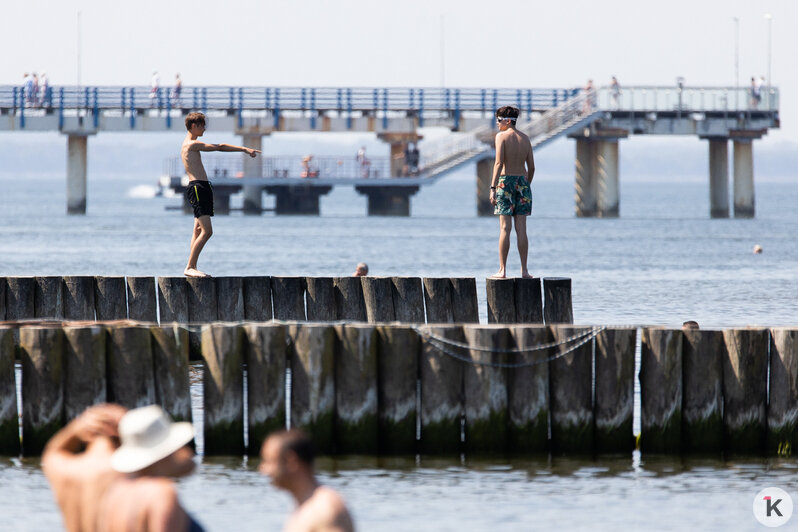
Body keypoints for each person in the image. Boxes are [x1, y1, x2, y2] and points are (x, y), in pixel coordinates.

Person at [97, 405, 203, 532]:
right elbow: (188, 463)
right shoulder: (162, 493)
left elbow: (188, 466)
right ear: (166, 451)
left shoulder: (116, 494)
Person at [181, 111, 260, 278]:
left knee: (197, 229)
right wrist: (244, 149)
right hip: (197, 188)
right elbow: (219, 147)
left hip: (201, 187)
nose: (205, 129)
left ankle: (192, 266)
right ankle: (189, 266)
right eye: (203, 126)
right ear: (194, 126)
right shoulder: (191, 145)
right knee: (207, 231)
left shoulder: (189, 144)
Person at [42, 404, 128, 532]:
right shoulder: (128, 472)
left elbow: (52, 452)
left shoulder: (66, 470)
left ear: (87, 433)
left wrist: (77, 426)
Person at [260, 430, 355, 532]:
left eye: (269, 462)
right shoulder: (303, 506)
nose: (263, 470)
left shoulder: (326, 510)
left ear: (291, 460)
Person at [489, 106, 534, 279]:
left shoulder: (501, 137)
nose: (497, 124)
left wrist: (493, 188)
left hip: (505, 181)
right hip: (522, 182)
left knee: (505, 228)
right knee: (521, 228)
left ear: (508, 121)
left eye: (499, 120)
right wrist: (525, 185)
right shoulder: (525, 138)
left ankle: (502, 270)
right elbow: (532, 167)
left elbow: (499, 163)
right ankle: (524, 271)